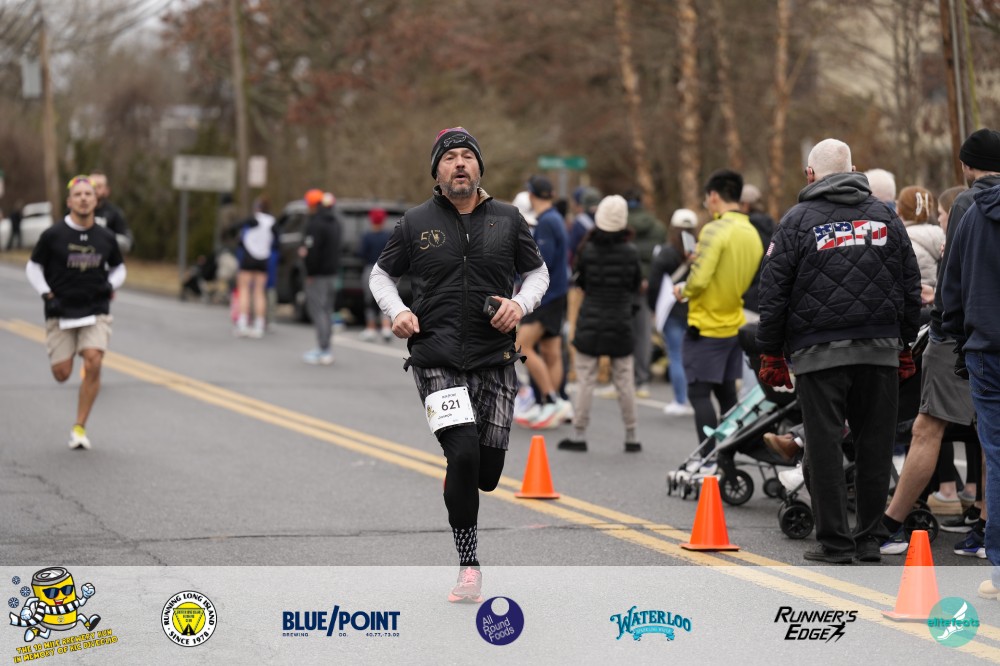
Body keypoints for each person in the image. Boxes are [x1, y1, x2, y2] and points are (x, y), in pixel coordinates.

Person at [369, 127, 548, 603]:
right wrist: (397, 311)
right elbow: (381, 275)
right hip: (436, 357)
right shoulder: (415, 222)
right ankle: (469, 566)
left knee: (486, 473)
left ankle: (463, 479)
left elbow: (538, 272)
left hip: (495, 358)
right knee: (463, 454)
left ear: (479, 168)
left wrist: (520, 304)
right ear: (437, 172)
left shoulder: (508, 219)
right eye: (450, 158)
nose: (460, 163)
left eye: (468, 156)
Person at [757, 138, 921, 564]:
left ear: (810, 174)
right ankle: (869, 540)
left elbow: (772, 291)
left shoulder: (797, 221)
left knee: (825, 445)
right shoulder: (886, 217)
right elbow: (910, 284)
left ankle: (835, 543)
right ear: (853, 169)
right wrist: (903, 343)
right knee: (875, 446)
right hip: (879, 350)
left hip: (818, 353)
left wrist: (770, 352)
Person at [879, 129, 1000, 556]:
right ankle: (985, 528)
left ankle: (890, 523)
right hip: (985, 334)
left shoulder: (969, 204)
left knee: (927, 428)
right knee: (989, 439)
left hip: (964, 338)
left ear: (966, 165)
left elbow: (953, 282)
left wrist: (945, 323)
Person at [25, 176, 126, 450]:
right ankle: (71, 354)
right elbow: (33, 267)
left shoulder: (105, 237)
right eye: (78, 195)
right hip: (61, 310)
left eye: (88, 194)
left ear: (96, 200)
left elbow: (119, 268)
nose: (83, 199)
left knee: (93, 360)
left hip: (95, 309)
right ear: (69, 201)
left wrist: (110, 286)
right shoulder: (53, 235)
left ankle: (79, 428)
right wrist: (47, 294)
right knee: (62, 373)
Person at [940, 176, 1000, 599]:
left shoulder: (974, 211)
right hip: (983, 346)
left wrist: (960, 337)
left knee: (997, 456)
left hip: (986, 348)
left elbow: (952, 285)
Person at [674, 169, 763, 446]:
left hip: (706, 325)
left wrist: (682, 290)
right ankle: (726, 455)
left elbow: (699, 280)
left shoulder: (714, 229)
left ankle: (707, 457)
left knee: (699, 393)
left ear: (713, 196)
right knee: (727, 395)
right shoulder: (751, 232)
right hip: (733, 322)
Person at [558, 195, 642, 452]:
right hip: (621, 320)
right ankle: (631, 436)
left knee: (586, 379)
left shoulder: (588, 249)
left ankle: (579, 434)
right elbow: (635, 285)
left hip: (591, 319)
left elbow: (581, 282)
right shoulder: (631, 252)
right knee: (624, 381)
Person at [513, 175, 570, 429]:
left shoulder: (547, 221)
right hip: (558, 293)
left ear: (531, 194)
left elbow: (539, 264)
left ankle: (551, 400)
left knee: (521, 345)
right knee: (550, 352)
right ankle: (549, 404)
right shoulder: (556, 217)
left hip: (545, 296)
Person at [647, 208, 697, 416]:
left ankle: (680, 400)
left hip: (671, 310)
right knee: (692, 357)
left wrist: (653, 307)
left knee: (676, 355)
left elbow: (654, 283)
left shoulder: (666, 253)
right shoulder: (699, 252)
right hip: (695, 309)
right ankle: (698, 400)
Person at [623, 188, 665, 398]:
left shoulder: (619, 224)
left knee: (622, 332)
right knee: (643, 334)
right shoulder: (657, 227)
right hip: (645, 286)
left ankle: (623, 379)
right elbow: (660, 257)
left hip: (622, 285)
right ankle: (642, 379)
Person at [300, 190, 341, 364]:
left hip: (318, 275)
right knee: (327, 310)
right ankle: (326, 348)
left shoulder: (314, 224)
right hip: (332, 273)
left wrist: (310, 271)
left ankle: (323, 349)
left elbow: (312, 251)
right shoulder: (336, 222)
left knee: (318, 311)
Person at [233, 198, 276, 338]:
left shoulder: (253, 220)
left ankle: (243, 323)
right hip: (263, 259)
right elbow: (277, 242)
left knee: (244, 290)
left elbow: (235, 228)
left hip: (248, 257)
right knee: (259, 292)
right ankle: (259, 325)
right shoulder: (272, 223)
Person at [896, 185, 944, 303]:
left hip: (911, 303)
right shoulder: (942, 235)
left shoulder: (898, 238)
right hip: (938, 302)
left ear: (900, 210)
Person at [358, 207, 393, 342]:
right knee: (387, 299)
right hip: (387, 270)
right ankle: (386, 328)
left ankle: (371, 328)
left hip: (370, 269)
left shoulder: (367, 236)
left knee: (370, 300)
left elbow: (361, 254)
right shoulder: (388, 236)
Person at [89, 172, 132, 254]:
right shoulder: (75, 212)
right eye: (92, 186)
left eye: (99, 186)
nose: (95, 190)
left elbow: (127, 243)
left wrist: (103, 236)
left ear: (107, 190)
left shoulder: (114, 212)